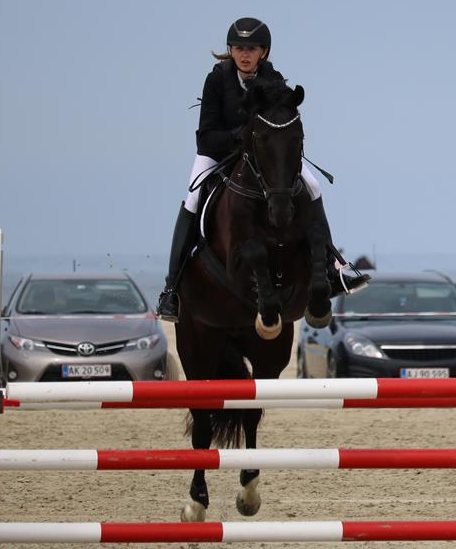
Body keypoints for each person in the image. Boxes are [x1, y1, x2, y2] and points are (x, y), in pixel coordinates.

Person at [157, 17, 368, 322]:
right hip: (217, 153)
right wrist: (239, 136)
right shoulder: (217, 79)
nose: (244, 54)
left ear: (263, 52)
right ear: (230, 50)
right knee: (192, 198)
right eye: (239, 47)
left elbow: (283, 120)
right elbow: (205, 135)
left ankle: (334, 270)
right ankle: (171, 289)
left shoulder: (273, 78)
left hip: (262, 158)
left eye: (251, 48)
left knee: (313, 186)